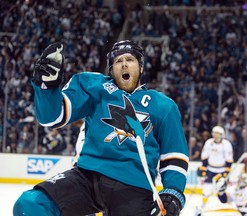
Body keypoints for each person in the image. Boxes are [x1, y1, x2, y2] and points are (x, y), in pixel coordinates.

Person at [13, 40, 189, 216]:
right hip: (87, 177)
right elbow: (52, 117)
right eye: (118, 61)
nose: (124, 64)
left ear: (141, 68)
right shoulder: (95, 87)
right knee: (30, 205)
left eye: (130, 59)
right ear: (111, 70)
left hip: (134, 186)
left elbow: (174, 158)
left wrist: (173, 192)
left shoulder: (163, 106)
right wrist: (47, 88)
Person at [197, 125, 234, 206]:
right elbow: (204, 156)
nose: (214, 134)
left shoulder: (226, 144)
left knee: (222, 190)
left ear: (221, 134)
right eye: (214, 133)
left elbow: (229, 159)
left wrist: (227, 171)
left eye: (217, 133)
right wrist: (203, 168)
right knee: (207, 188)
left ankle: (227, 204)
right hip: (210, 169)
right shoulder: (209, 142)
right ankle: (203, 205)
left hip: (221, 170)